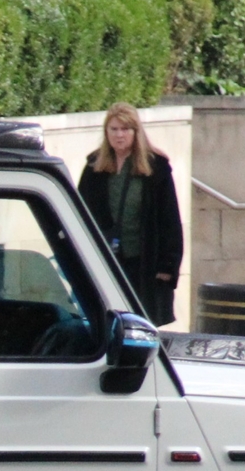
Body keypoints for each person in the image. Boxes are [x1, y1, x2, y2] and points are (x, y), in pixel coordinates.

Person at [78, 102, 183, 325]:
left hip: (144, 261)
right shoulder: (94, 167)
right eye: (114, 129)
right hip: (108, 259)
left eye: (125, 129)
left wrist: (168, 267)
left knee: (142, 321)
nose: (119, 135)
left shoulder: (155, 167)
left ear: (136, 132)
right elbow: (81, 213)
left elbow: (169, 220)